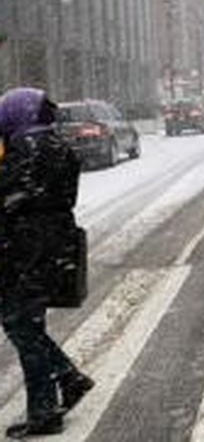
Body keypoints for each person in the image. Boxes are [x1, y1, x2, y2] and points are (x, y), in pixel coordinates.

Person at [0, 88, 95, 439]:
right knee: (26, 323)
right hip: (52, 243)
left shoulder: (26, 149)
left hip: (27, 248)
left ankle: (45, 409)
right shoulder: (55, 145)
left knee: (21, 324)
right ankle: (67, 381)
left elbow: (9, 197)